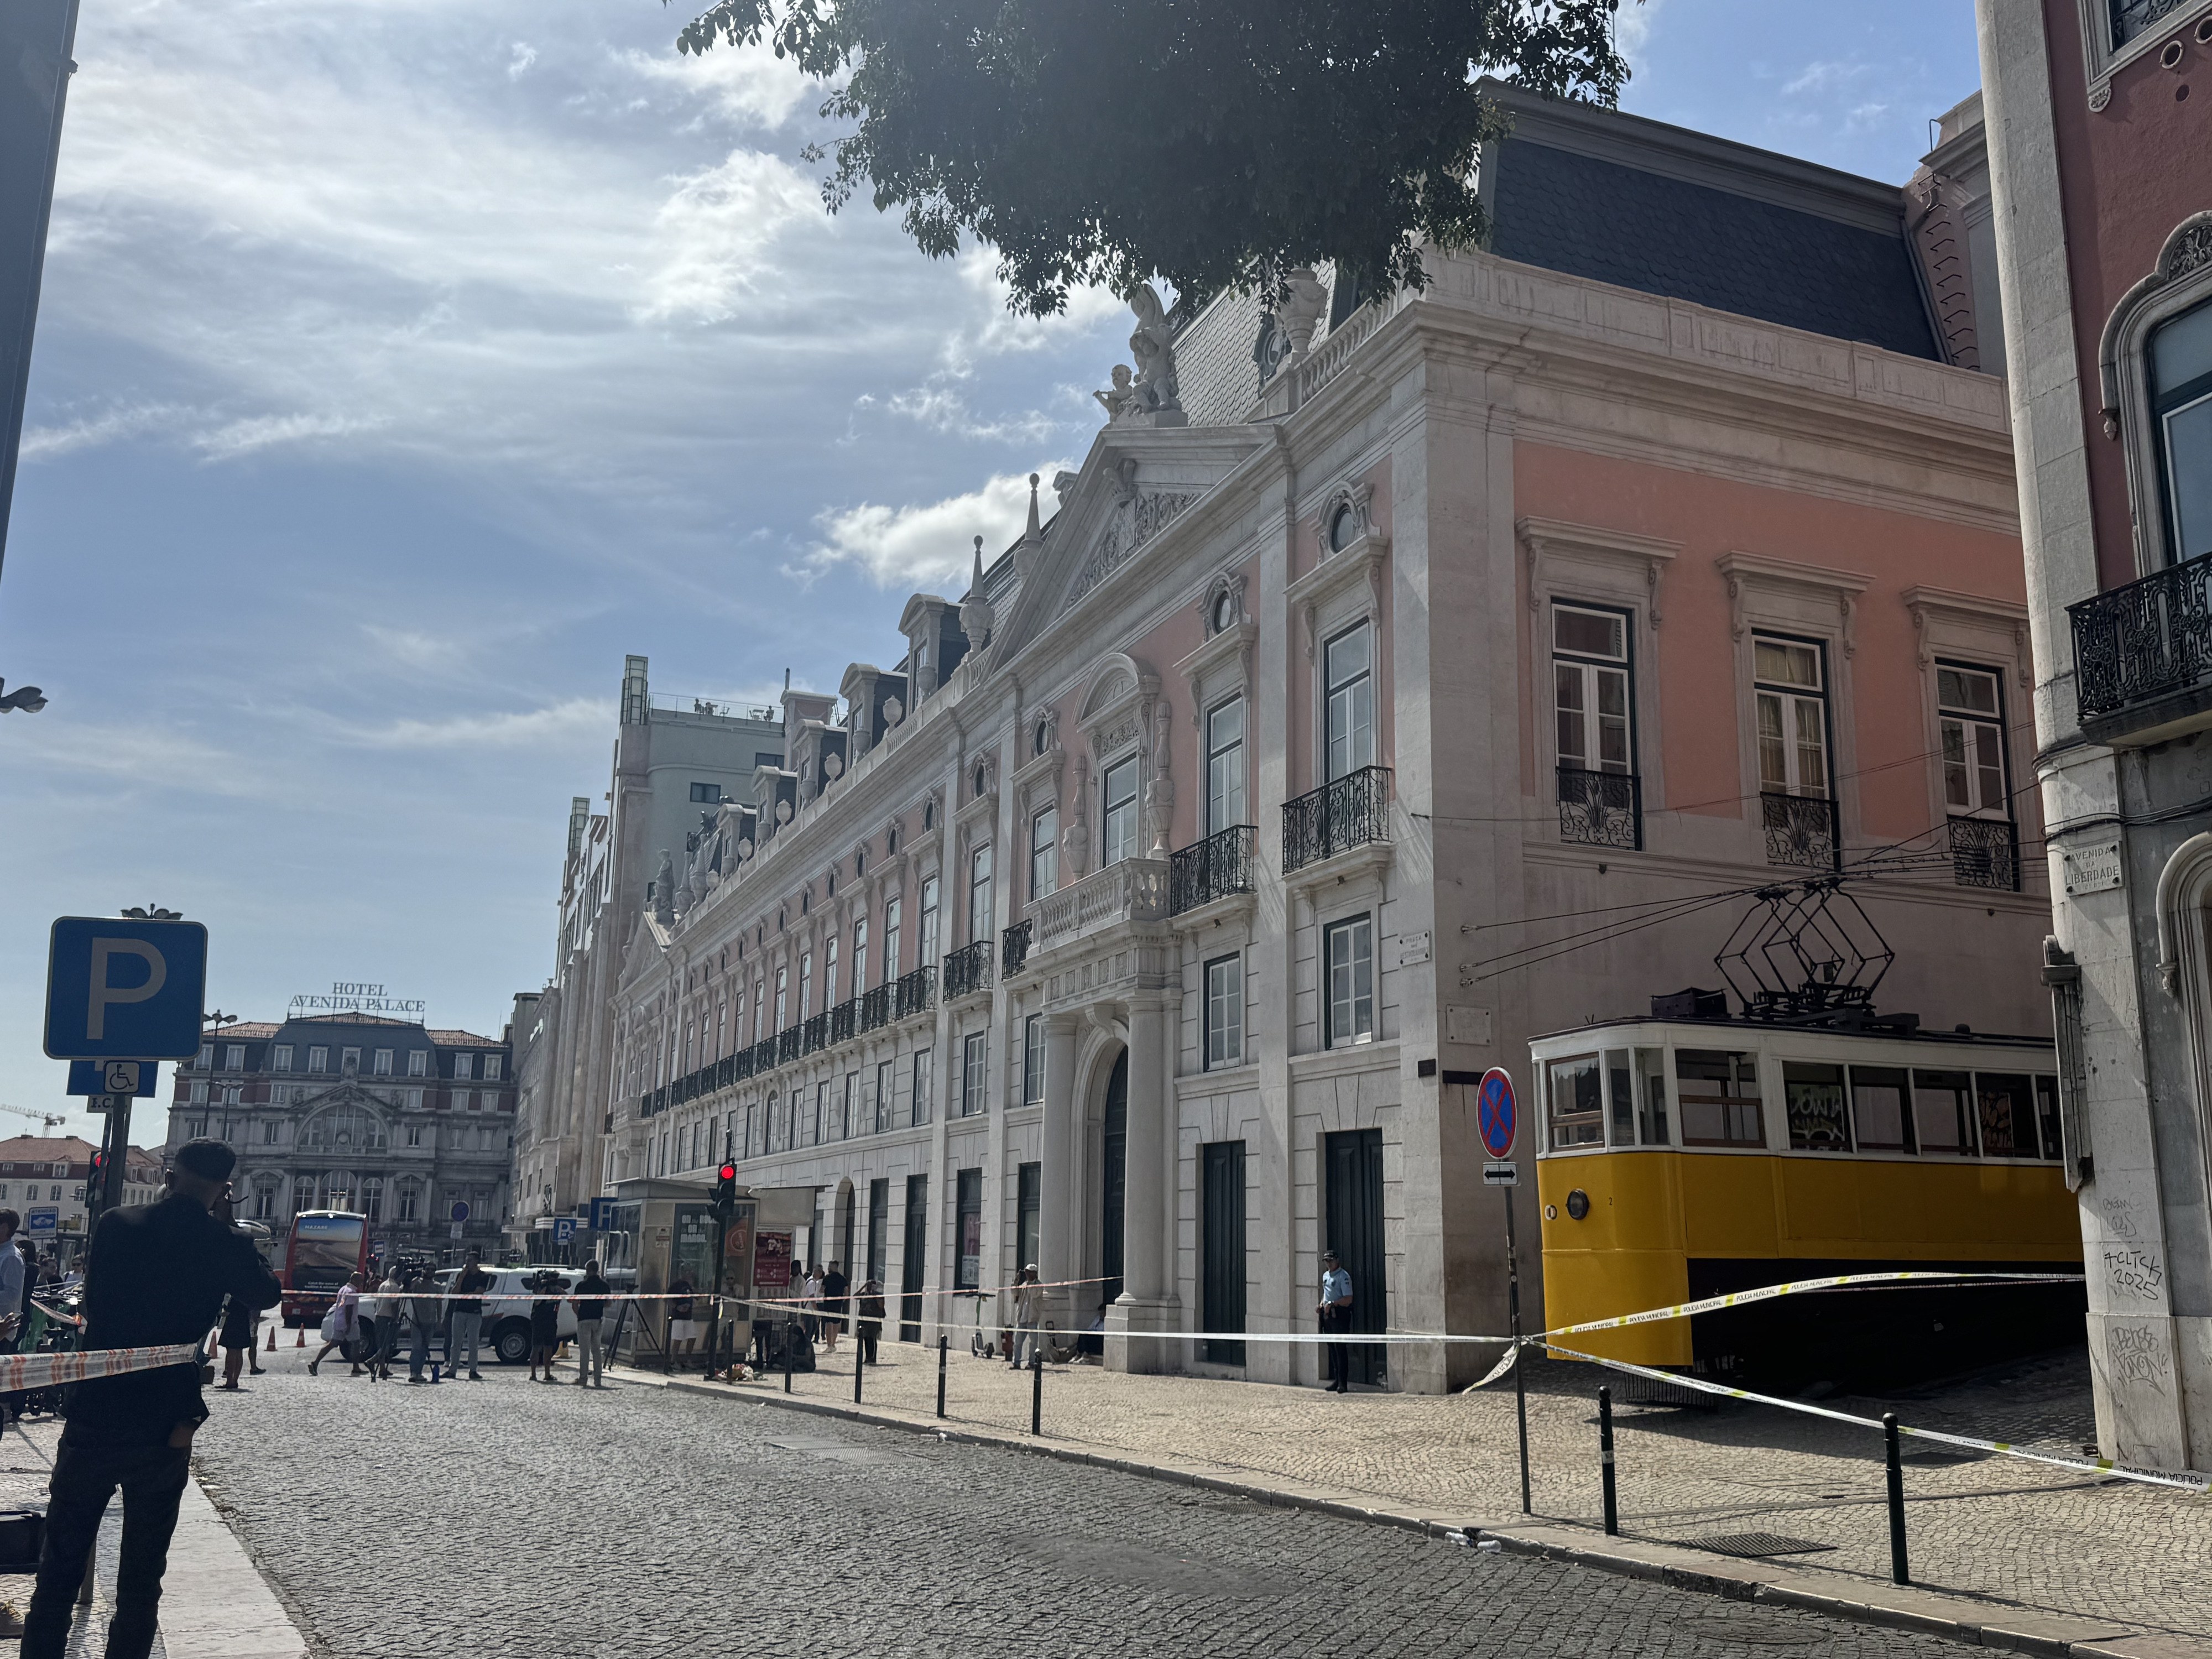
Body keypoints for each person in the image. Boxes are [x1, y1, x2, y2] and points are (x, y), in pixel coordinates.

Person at [21, 1137, 280, 1659]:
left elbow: (95, 1304)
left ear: (169, 1175)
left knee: (60, 1563)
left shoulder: (117, 1223)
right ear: (225, 1188)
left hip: (98, 1406)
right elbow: (266, 1294)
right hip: (168, 1419)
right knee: (143, 1573)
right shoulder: (223, 1240)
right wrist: (228, 1227)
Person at [308, 1271, 365, 1377]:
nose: (361, 1283)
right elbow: (349, 1310)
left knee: (332, 1344)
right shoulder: (352, 1292)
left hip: (339, 1320)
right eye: (360, 1280)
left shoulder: (343, 1289)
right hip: (349, 1322)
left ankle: (316, 1362)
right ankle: (356, 1368)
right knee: (356, 1344)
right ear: (353, 1280)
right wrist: (349, 1325)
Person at [448, 1247, 490, 1380]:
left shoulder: (483, 1276)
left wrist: (464, 1295)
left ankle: (473, 1370)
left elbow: (479, 1292)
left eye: (470, 1261)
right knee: (456, 1343)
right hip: (459, 1311)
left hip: (474, 1313)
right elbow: (455, 1292)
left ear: (476, 1261)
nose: (467, 1263)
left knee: (473, 1343)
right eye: (466, 1261)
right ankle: (452, 1369)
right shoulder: (461, 1275)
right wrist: (462, 1277)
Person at [1319, 1249, 1354, 1394]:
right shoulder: (1326, 1276)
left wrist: (1333, 1304)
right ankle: (1336, 1379)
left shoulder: (1343, 1277)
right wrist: (1322, 1304)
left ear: (1337, 1260)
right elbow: (1326, 1293)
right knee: (1332, 1348)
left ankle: (1342, 1382)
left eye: (1331, 1260)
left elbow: (1348, 1299)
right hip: (1328, 1315)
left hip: (1339, 1315)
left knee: (1340, 1348)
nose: (1329, 1263)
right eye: (1326, 1261)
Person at [571, 1259, 611, 1388]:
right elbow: (609, 1303)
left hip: (584, 1319)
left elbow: (574, 1304)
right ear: (598, 1269)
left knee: (584, 1352)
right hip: (598, 1320)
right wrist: (598, 1307)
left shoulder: (581, 1285)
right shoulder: (604, 1285)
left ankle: (583, 1379)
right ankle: (598, 1380)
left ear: (587, 1270)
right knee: (596, 1350)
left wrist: (579, 1315)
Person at [372, 1262, 406, 1381]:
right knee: (386, 1344)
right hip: (387, 1317)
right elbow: (394, 1304)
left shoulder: (383, 1284)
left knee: (382, 1343)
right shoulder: (394, 1287)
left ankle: (382, 1368)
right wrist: (395, 1317)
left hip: (379, 1316)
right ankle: (372, 1361)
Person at [405, 1265, 439, 1384]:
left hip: (431, 1321)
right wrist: (416, 1277)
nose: (429, 1271)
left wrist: (439, 1320)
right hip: (417, 1321)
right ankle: (413, 1372)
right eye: (427, 1269)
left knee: (425, 1348)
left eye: (432, 1270)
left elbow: (439, 1304)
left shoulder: (437, 1286)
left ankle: (419, 1372)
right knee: (416, 1347)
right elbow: (408, 1289)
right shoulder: (417, 1283)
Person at [526, 1271, 560, 1383]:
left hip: (551, 1321)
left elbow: (567, 1296)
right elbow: (537, 1302)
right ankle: (533, 1374)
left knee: (549, 1347)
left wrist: (557, 1288)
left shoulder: (557, 1289)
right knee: (536, 1347)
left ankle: (547, 1374)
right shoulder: (541, 1288)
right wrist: (544, 1287)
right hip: (539, 1321)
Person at [1010, 1266, 1044, 1371]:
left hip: (1032, 1318)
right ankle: (1016, 1363)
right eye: (1026, 1272)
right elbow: (1014, 1292)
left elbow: (1035, 1294)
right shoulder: (1024, 1284)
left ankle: (1032, 1362)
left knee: (1033, 1343)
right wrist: (1016, 1282)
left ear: (1034, 1273)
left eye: (1029, 1272)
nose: (1027, 1274)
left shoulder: (1039, 1285)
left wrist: (1029, 1284)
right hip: (1022, 1318)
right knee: (1018, 1343)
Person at [666, 1274, 697, 1365]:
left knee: (692, 1337)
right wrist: (677, 1307)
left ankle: (687, 1360)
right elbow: (667, 1299)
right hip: (677, 1317)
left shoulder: (689, 1286)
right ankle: (673, 1362)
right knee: (678, 1339)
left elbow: (696, 1297)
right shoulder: (676, 1285)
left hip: (688, 1317)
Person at [819, 1260, 848, 1353]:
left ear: (833, 1267)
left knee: (829, 1323)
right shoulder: (843, 1279)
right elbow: (847, 1293)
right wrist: (842, 1301)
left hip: (828, 1303)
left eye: (830, 1266)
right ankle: (833, 1344)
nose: (828, 1268)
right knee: (836, 1324)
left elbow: (821, 1290)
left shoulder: (827, 1278)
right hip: (838, 1304)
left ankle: (829, 1346)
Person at [855, 1277, 884, 1368]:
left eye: (871, 1285)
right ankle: (868, 1358)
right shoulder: (864, 1295)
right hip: (864, 1320)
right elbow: (855, 1296)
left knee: (872, 1339)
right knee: (866, 1339)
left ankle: (873, 1358)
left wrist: (874, 1293)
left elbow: (881, 1306)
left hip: (874, 1321)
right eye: (868, 1285)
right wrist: (863, 1286)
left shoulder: (878, 1295)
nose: (869, 1287)